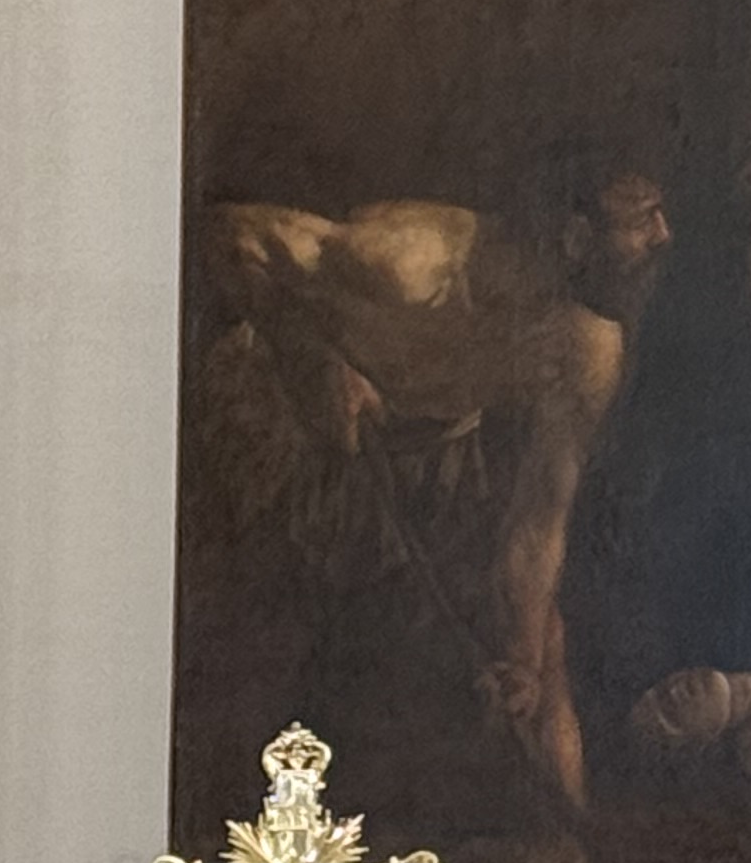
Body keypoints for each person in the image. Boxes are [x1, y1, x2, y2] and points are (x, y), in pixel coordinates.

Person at [203, 172, 669, 803]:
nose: (664, 236)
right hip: (293, 434)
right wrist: (308, 356)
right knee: (257, 637)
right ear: (576, 236)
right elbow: (231, 233)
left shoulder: (588, 345)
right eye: (643, 219)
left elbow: (539, 520)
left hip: (430, 459)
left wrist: (521, 660)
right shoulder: (411, 264)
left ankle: (568, 844)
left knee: (544, 646)